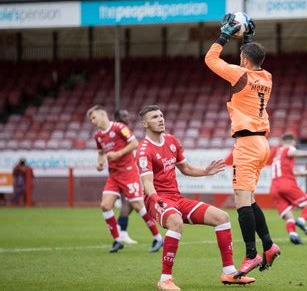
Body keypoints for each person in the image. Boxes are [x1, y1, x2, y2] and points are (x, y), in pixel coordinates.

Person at [136, 105, 256, 290]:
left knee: (222, 218)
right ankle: (165, 279)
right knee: (176, 222)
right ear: (144, 124)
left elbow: (186, 169)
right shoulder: (144, 150)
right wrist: (155, 199)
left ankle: (229, 272)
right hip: (157, 199)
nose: (160, 119)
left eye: (161, 116)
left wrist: (206, 172)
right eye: (154, 117)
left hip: (177, 198)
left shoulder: (172, 141)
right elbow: (147, 182)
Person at [205, 13, 280, 278]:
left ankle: (251, 254)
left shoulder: (240, 74)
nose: (239, 59)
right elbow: (251, 58)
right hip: (262, 143)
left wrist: (225, 34)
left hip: (248, 144)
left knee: (241, 202)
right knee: (250, 199)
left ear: (244, 60)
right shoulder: (266, 76)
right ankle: (268, 245)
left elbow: (210, 59)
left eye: (241, 57)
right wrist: (247, 37)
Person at [87, 105, 163, 253]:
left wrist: (117, 154)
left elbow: (135, 143)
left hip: (128, 172)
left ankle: (158, 237)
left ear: (102, 115)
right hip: (114, 175)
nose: (93, 121)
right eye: (91, 119)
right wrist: (100, 162)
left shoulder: (119, 127)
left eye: (94, 117)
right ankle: (117, 240)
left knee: (137, 205)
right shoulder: (98, 136)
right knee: (105, 205)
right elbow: (101, 152)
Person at [270, 133, 307, 245]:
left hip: (274, 187)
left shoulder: (277, 155)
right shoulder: (288, 148)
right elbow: (292, 152)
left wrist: (302, 173)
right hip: (287, 184)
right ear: (292, 141)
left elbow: (288, 170)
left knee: (288, 215)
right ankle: (302, 220)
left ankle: (293, 235)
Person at [114, 109, 139, 246]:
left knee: (131, 202)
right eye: (124, 115)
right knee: (129, 202)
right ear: (117, 118)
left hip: (127, 170)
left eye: (127, 115)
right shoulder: (120, 130)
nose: (127, 117)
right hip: (124, 172)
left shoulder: (120, 131)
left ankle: (119, 229)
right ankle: (121, 232)